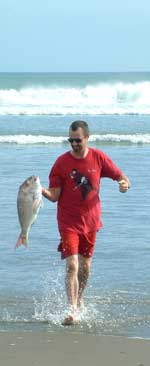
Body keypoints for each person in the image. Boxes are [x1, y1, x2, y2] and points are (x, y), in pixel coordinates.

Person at [42, 120, 131, 325]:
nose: (73, 144)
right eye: (70, 140)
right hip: (67, 222)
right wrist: (42, 192)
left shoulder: (99, 158)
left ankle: (80, 297)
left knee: (85, 267)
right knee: (72, 265)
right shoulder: (61, 163)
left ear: (87, 137)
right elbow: (55, 195)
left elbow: (121, 177)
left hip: (91, 221)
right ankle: (73, 309)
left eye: (77, 140)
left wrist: (124, 184)